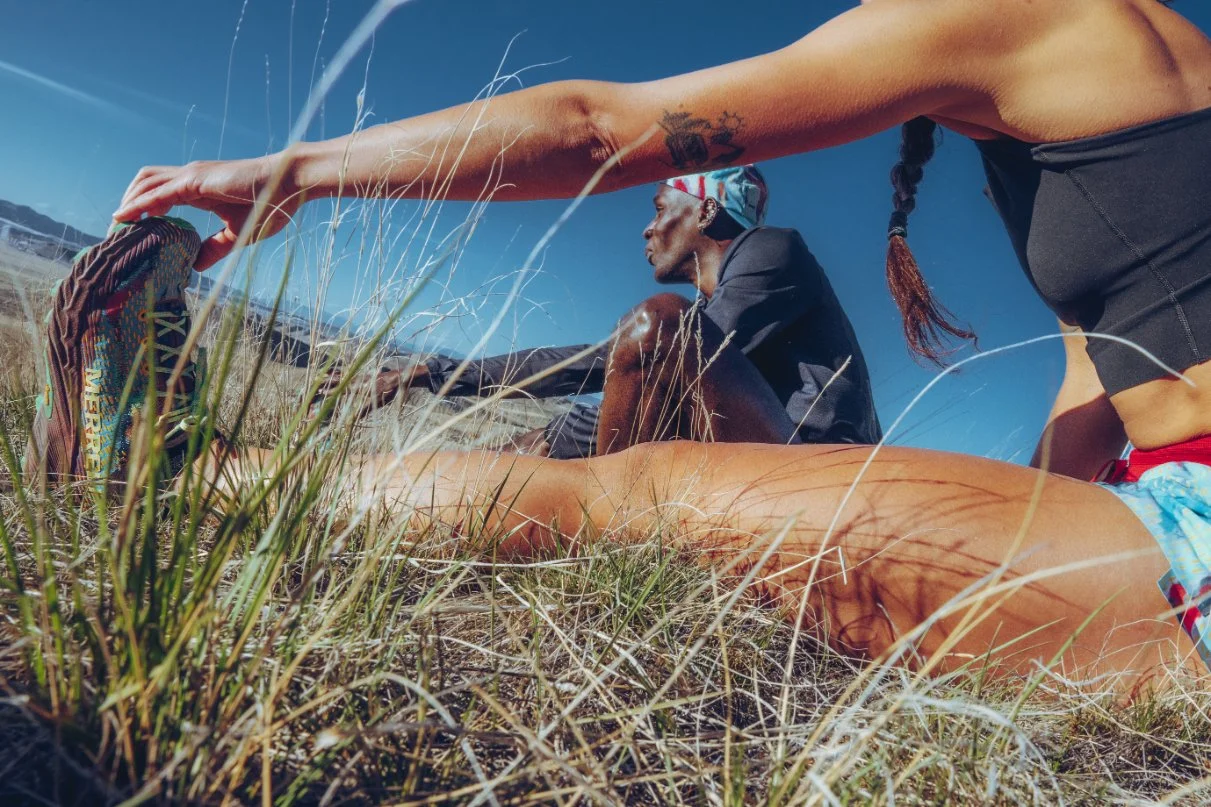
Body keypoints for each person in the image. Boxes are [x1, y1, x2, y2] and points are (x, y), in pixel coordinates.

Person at [47, 0, 1211, 686]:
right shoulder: (1130, 69)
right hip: (1152, 502)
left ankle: (181, 487)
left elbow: (594, 129)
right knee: (631, 445)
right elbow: (1090, 370)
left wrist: (290, 169)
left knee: (633, 489)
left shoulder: (1024, 18)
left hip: (1182, 523)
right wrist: (1032, 551)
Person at [314, 165, 881, 457]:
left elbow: (634, 356)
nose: (648, 226)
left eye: (660, 208)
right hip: (764, 458)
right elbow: (603, 361)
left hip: (815, 474)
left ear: (706, 211)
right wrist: (430, 373)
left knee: (657, 322)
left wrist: (558, 438)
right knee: (536, 445)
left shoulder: (773, 250)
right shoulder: (719, 311)